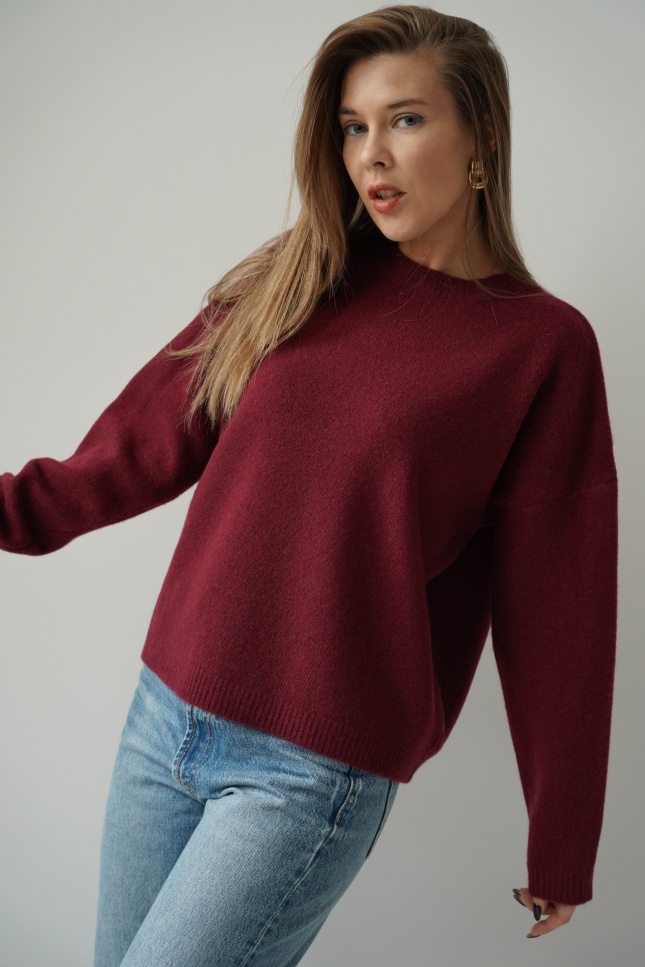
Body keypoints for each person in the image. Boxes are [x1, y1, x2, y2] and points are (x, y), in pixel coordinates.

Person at [0, 4, 618, 965]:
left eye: (405, 119)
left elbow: (559, 602)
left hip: (307, 772)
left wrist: (562, 832)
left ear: (482, 136)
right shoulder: (297, 276)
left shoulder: (540, 347)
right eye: (352, 127)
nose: (372, 154)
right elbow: (130, 450)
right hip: (163, 713)